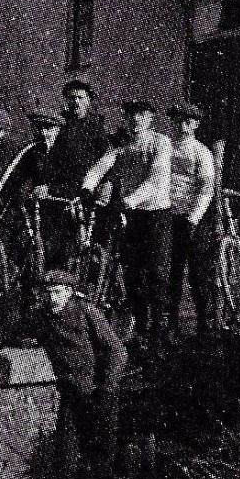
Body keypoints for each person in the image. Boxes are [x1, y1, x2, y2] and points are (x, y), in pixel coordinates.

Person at [82, 99, 174, 344]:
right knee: (131, 270)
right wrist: (87, 187)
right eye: (132, 116)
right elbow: (101, 166)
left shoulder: (161, 143)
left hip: (156, 213)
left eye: (142, 116)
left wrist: (129, 201)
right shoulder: (121, 145)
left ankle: (158, 328)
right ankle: (138, 325)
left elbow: (156, 180)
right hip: (130, 213)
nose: (135, 120)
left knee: (157, 270)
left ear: (150, 118)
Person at [33, 269, 127, 479]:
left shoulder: (87, 313)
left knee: (101, 462)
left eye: (56, 293)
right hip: (71, 396)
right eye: (47, 293)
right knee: (66, 461)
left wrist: (107, 387)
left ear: (69, 292)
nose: (51, 299)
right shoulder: (42, 317)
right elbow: (7, 333)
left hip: (98, 396)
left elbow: (118, 350)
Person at [166, 103, 218, 336]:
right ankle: (171, 322)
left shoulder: (201, 152)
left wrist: (194, 218)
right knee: (170, 271)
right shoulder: (165, 147)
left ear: (196, 124)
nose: (182, 125)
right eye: (178, 121)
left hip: (194, 217)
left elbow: (206, 188)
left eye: (188, 121)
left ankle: (204, 321)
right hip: (169, 215)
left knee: (198, 271)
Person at [22, 106, 71, 271]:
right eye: (39, 128)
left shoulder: (68, 153)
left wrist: (49, 189)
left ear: (58, 129)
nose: (43, 132)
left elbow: (75, 184)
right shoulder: (32, 152)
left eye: (48, 128)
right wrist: (25, 192)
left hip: (60, 211)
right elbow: (24, 178)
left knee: (55, 253)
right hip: (34, 210)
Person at [48, 79, 109, 200]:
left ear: (88, 101)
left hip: (84, 186)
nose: (76, 102)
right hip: (59, 186)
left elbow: (104, 158)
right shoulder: (60, 124)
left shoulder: (96, 127)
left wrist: (104, 185)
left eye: (80, 98)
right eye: (72, 98)